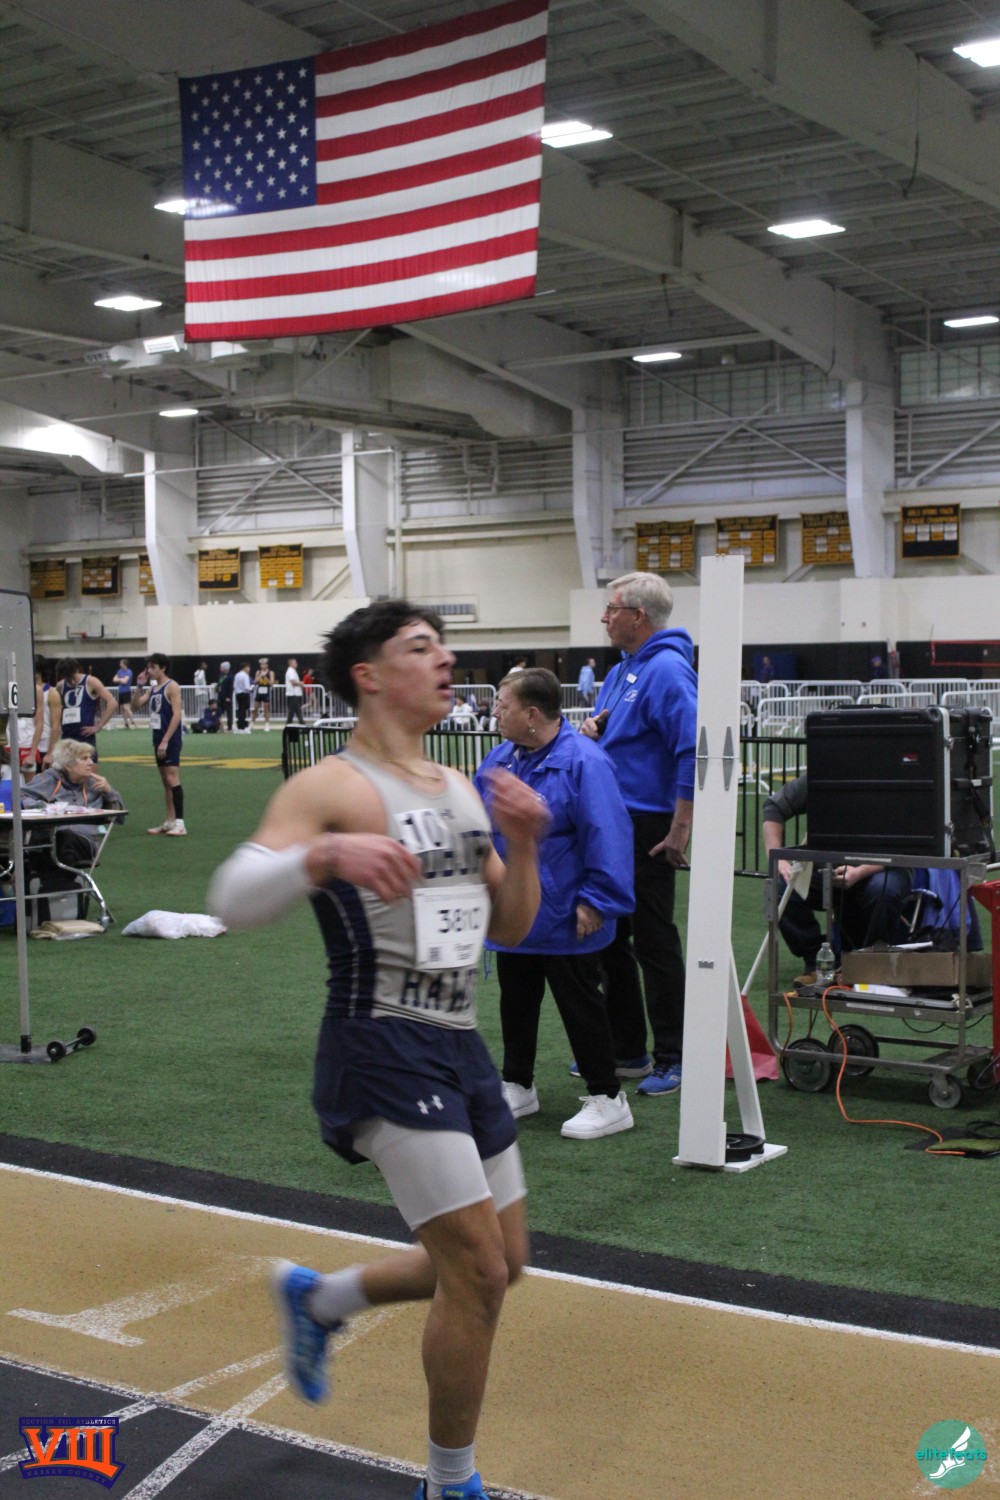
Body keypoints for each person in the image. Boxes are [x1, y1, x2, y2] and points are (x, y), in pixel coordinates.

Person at [209, 599, 548, 1500]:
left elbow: (511, 926)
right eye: (421, 647)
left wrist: (523, 845)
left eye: (444, 646)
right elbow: (232, 896)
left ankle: (322, 1299)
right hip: (379, 1039)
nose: (446, 661)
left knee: (506, 1261)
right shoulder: (335, 786)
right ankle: (449, 1483)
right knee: (478, 1271)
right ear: (368, 675)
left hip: (459, 1042)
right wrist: (320, 861)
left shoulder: (460, 786)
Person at [475, 669, 635, 1140]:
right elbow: (480, 828)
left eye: (502, 704)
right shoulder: (500, 760)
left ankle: (608, 1097)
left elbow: (608, 833)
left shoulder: (586, 761)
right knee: (516, 999)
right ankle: (517, 1084)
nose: (494, 711)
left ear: (531, 714)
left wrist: (597, 901)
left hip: (568, 910)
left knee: (580, 1002)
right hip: (516, 910)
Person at [580, 572, 698, 1098]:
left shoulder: (668, 670)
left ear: (638, 616)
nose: (604, 617)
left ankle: (675, 1056)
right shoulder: (621, 670)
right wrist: (592, 731)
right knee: (611, 938)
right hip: (613, 821)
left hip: (649, 824)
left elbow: (691, 749)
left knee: (654, 941)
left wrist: (680, 827)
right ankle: (628, 1049)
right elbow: (611, 730)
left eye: (612, 609)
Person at [762, 774, 912, 973]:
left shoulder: (893, 778)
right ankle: (817, 959)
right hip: (827, 868)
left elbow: (908, 840)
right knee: (780, 886)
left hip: (882, 867)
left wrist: (860, 871)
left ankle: (871, 961)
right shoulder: (823, 775)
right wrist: (777, 858)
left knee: (883, 889)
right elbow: (774, 807)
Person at [20, 737, 124, 877]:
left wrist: (109, 792)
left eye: (90, 758)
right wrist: (44, 808)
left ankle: (62, 885)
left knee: (64, 838)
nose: (91, 763)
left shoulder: (96, 784)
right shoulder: (48, 779)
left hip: (84, 842)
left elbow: (119, 818)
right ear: (69, 765)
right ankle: (58, 885)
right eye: (84, 758)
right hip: (48, 839)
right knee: (49, 842)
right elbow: (20, 796)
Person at [133, 653, 186, 836]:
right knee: (165, 782)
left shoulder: (172, 686)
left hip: (169, 739)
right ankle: (169, 821)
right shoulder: (153, 689)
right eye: (148, 667)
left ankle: (180, 823)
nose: (149, 670)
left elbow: (177, 715)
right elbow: (135, 706)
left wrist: (166, 740)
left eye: (153, 667)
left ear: (163, 668)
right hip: (157, 738)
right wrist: (139, 686)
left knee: (172, 779)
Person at [54, 658, 117, 762]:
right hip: (67, 736)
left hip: (85, 737)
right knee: (66, 769)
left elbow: (112, 703)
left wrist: (99, 725)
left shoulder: (91, 682)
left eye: (73, 677)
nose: (72, 681)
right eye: (67, 678)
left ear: (77, 670)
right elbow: (57, 708)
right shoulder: (60, 686)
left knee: (89, 769)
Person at [27, 657, 61, 774]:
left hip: (43, 745)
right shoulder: (25, 692)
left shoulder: (52, 693)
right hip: (27, 743)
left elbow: (56, 725)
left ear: (39, 671)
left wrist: (50, 753)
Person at [112, 659, 135, 728]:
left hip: (126, 692)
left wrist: (119, 679)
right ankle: (126, 723)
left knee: (126, 707)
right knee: (122, 709)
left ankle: (132, 722)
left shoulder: (129, 672)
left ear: (124, 664)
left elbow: (125, 681)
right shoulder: (119, 671)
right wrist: (121, 679)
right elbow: (114, 680)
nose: (120, 665)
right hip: (120, 692)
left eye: (121, 663)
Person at [253, 657, 275, 729]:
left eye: (264, 664)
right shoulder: (258, 672)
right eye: (261, 664)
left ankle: (267, 724)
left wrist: (265, 677)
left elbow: (271, 683)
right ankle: (252, 723)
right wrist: (259, 677)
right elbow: (255, 682)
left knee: (266, 708)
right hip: (259, 691)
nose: (263, 666)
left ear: (267, 665)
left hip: (266, 691)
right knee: (255, 708)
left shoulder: (271, 672)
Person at [284, 658, 305, 725]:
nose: (296, 664)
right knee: (296, 708)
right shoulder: (290, 671)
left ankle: (290, 722)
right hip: (293, 694)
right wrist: (300, 683)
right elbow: (293, 682)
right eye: (295, 663)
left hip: (295, 694)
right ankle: (301, 722)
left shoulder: (293, 671)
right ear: (291, 664)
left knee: (293, 710)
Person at [234, 662, 253, 733]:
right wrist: (252, 687)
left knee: (240, 710)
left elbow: (235, 685)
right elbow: (247, 687)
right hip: (244, 694)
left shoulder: (237, 675)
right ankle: (242, 727)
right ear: (244, 668)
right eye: (248, 667)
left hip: (238, 694)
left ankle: (240, 726)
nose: (249, 669)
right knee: (243, 711)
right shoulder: (245, 676)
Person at [216, 662, 234, 732]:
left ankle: (230, 726)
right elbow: (219, 684)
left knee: (229, 712)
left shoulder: (230, 677)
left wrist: (229, 697)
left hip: (227, 697)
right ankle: (217, 726)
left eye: (222, 667)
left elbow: (231, 688)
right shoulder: (220, 676)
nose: (220, 669)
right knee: (218, 711)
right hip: (220, 696)